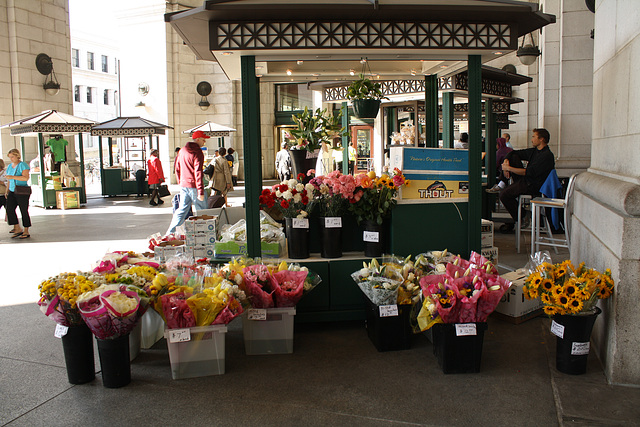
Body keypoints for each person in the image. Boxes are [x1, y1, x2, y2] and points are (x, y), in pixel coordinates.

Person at [498, 128, 555, 233]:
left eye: (534, 136)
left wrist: (509, 169)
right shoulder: (535, 151)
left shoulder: (547, 156)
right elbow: (513, 152)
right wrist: (506, 161)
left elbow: (529, 172)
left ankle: (523, 215)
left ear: (541, 139)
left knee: (503, 195)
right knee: (514, 156)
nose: (532, 139)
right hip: (526, 181)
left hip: (534, 185)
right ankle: (502, 182)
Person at [166, 130, 208, 234]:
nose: (204, 142)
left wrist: (181, 182)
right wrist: (200, 191)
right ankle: (203, 234)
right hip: (194, 186)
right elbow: (198, 172)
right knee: (202, 212)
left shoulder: (182, 151)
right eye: (203, 140)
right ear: (197, 139)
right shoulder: (197, 152)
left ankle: (169, 233)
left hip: (184, 186)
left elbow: (177, 168)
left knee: (181, 211)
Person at [5, 148, 31, 239]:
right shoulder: (9, 166)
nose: (11, 159)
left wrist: (13, 177)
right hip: (12, 191)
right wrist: (7, 190)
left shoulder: (23, 165)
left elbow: (25, 178)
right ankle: (17, 228)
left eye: (12, 157)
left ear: (17, 156)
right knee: (9, 209)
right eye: (10, 157)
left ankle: (26, 230)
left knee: (23, 210)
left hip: (21, 191)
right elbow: (9, 180)